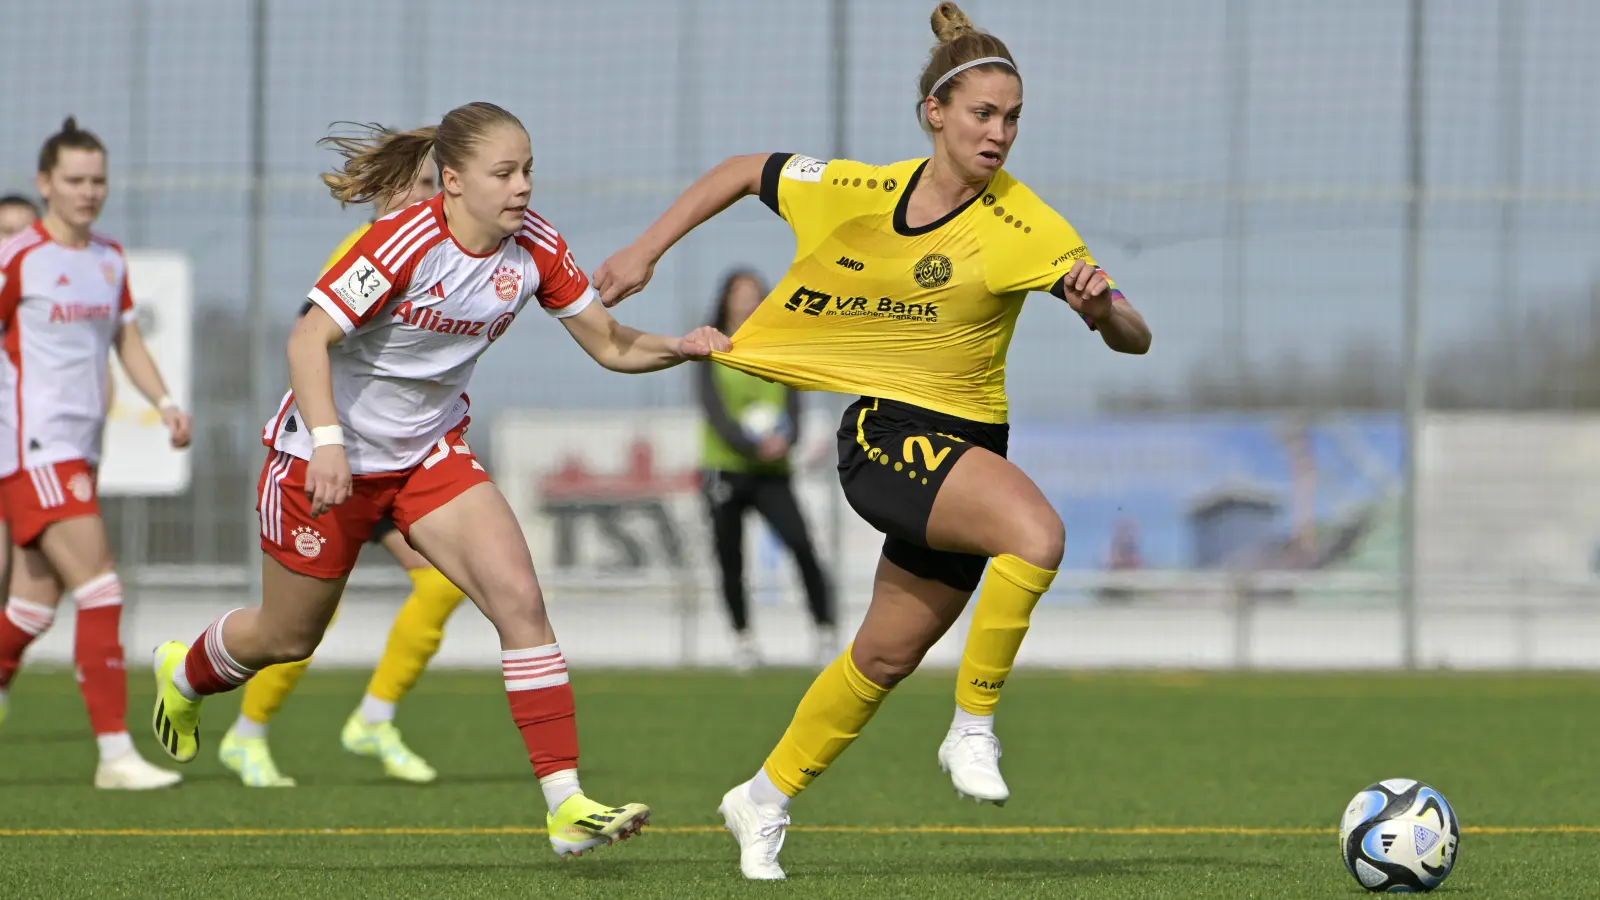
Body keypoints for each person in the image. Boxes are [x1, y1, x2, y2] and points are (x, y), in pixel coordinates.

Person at [595, 3, 1151, 879]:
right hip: (888, 436)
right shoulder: (857, 190)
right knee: (1036, 535)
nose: (998, 133)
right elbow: (745, 169)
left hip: (969, 452)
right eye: (981, 114)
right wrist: (645, 249)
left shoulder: (1029, 225)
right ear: (935, 113)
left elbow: (1137, 337)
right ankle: (972, 729)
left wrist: (1100, 309)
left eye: (1012, 119)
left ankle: (762, 799)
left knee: (884, 656)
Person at [148, 101, 730, 857]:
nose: (522, 186)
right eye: (505, 172)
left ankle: (565, 805)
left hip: (427, 457)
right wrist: (328, 444)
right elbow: (307, 339)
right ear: (452, 180)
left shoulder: (538, 248)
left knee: (520, 600)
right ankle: (185, 673)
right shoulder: (403, 242)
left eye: (528, 169)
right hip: (320, 462)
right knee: (288, 637)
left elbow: (612, 345)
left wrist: (681, 347)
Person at [218, 162, 467, 788]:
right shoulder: (367, 251)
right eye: (420, 186)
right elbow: (311, 334)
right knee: (303, 619)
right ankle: (248, 731)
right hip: (339, 460)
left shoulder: (446, 257)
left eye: (437, 187)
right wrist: (329, 438)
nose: (431, 199)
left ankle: (374, 719)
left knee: (441, 585)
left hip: (399, 461)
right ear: (389, 193)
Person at [0, 118, 192, 789]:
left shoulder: (109, 258)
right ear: (45, 183)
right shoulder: (16, 258)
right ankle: (115, 755)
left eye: (98, 180)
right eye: (75, 180)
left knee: (30, 610)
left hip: (80, 452)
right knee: (102, 587)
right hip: (33, 449)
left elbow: (126, 341)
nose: (89, 192)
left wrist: (165, 401)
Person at [697, 268, 834, 670]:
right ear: (726, 299)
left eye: (753, 293)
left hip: (773, 472)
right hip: (726, 469)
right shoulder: (710, 346)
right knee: (730, 558)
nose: (746, 300)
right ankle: (743, 641)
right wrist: (751, 443)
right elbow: (713, 410)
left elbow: (794, 404)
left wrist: (784, 441)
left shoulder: (780, 346)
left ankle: (825, 632)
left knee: (803, 546)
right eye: (739, 293)